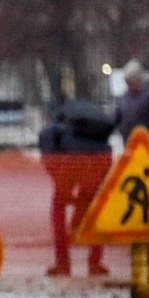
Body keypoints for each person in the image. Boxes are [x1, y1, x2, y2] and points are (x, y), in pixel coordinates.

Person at [38, 99, 113, 277]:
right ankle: (95, 263)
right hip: (100, 159)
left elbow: (48, 157)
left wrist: (59, 183)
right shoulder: (96, 128)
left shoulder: (52, 130)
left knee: (58, 207)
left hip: (71, 162)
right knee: (94, 210)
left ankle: (62, 263)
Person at [115, 59, 149, 143]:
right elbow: (118, 117)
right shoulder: (124, 98)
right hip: (130, 144)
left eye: (131, 82)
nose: (129, 85)